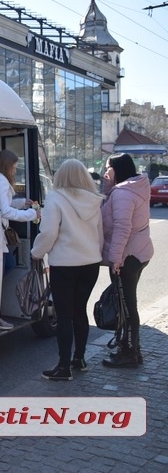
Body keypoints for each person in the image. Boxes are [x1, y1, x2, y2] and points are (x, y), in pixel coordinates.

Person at [30, 159, 104, 381]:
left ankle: (63, 367)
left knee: (64, 316)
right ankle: (79, 359)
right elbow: (100, 234)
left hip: (64, 265)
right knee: (80, 311)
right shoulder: (94, 200)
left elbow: (49, 232)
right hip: (90, 264)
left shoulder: (55, 198)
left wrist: (36, 252)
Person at [100, 153, 153, 368]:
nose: (105, 171)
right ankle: (130, 350)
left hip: (126, 257)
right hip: (137, 253)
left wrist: (115, 259)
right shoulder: (131, 188)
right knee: (127, 304)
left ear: (117, 169)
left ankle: (130, 353)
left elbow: (122, 227)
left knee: (128, 307)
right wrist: (108, 186)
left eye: (108, 168)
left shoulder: (123, 193)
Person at [0, 149, 40, 329]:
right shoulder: (2, 181)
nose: (15, 171)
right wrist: (31, 214)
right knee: (7, 266)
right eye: (13, 168)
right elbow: (4, 211)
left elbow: (2, 204)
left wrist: (22, 203)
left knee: (5, 267)